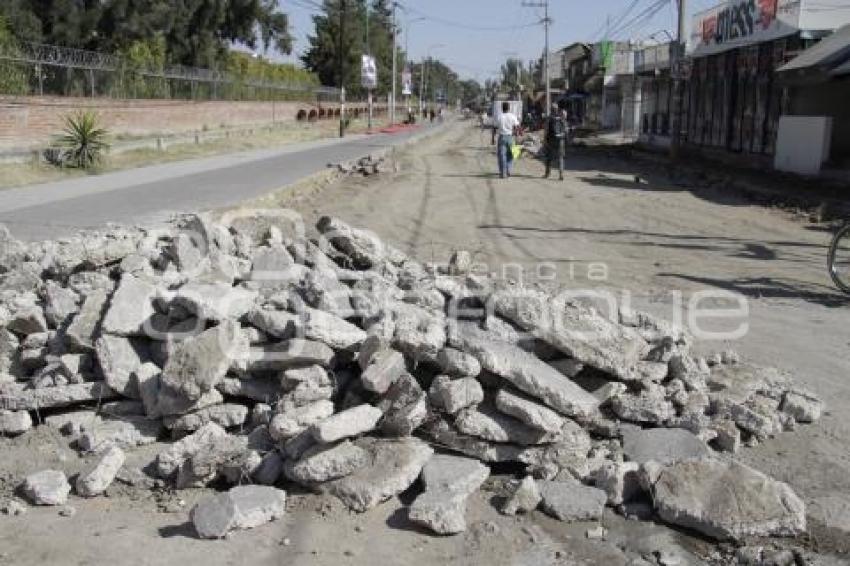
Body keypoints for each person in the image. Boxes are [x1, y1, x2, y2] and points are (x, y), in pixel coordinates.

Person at [495, 101, 519, 179]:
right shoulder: (512, 116)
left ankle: (503, 173)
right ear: (509, 108)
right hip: (511, 137)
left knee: (502, 155)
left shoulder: (499, 116)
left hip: (502, 137)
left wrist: (492, 138)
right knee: (512, 154)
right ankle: (508, 170)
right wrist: (516, 135)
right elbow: (516, 127)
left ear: (502, 108)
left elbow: (494, 127)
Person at [543, 103, 566, 180]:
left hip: (551, 140)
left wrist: (544, 139)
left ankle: (547, 173)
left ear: (551, 109)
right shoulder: (561, 117)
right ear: (557, 109)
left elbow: (546, 130)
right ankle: (561, 174)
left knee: (548, 157)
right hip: (560, 140)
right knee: (560, 157)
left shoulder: (549, 118)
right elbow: (565, 129)